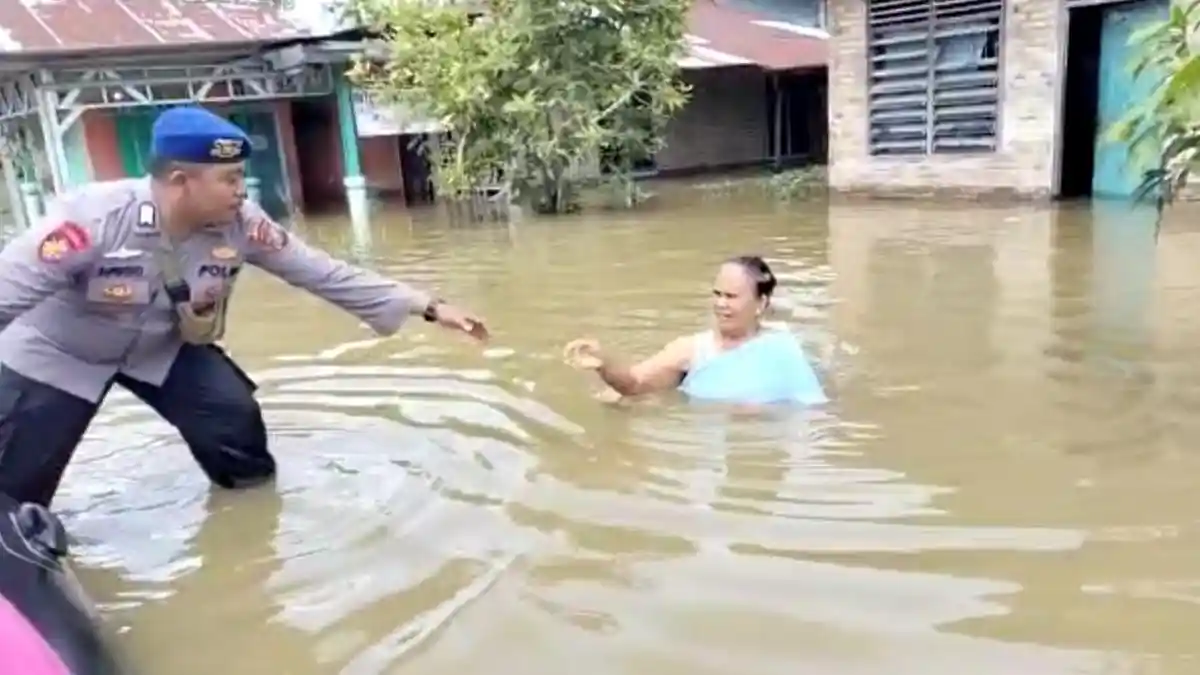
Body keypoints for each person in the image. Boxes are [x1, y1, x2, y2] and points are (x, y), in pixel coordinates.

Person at [0, 106, 488, 508]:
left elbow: (322, 272)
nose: (242, 189)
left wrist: (427, 306)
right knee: (16, 485)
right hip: (59, 353)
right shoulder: (92, 221)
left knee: (233, 418)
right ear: (180, 180)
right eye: (229, 178)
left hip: (161, 347)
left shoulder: (243, 225)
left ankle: (248, 520)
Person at [563, 255, 826, 405]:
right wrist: (605, 363)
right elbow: (635, 383)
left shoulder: (781, 346)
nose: (720, 304)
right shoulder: (692, 350)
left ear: (761, 303)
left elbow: (813, 405)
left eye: (731, 296)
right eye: (717, 294)